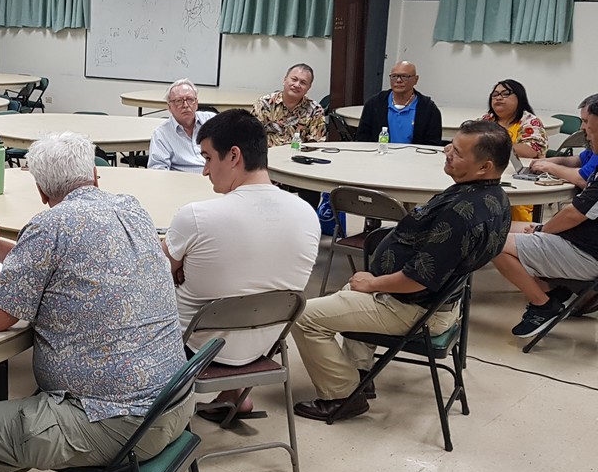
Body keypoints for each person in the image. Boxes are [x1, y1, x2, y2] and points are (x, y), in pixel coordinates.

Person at [0, 132, 189, 472]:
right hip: (174, 400)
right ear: (96, 176)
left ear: (40, 190)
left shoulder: (50, 225)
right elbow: (54, 264)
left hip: (123, 421)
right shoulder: (131, 208)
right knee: (13, 413)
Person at [289, 120, 512, 420]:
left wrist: (375, 284)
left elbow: (417, 280)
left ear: (485, 167)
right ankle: (359, 374)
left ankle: (342, 395)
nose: (447, 152)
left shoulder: (461, 214)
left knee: (302, 317)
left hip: (411, 307)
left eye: (457, 152)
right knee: (351, 289)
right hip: (433, 303)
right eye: (451, 145)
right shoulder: (494, 198)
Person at [163, 110, 320, 419]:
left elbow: (155, 276)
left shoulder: (197, 216)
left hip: (194, 349)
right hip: (264, 347)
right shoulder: (308, 216)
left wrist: (180, 266)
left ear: (233, 155)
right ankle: (235, 394)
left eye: (208, 158)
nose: (205, 171)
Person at [493, 98, 598, 338]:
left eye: (587, 123)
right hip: (579, 239)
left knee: (492, 242)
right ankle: (554, 288)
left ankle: (543, 304)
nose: (583, 130)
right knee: (501, 225)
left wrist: (543, 231)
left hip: (587, 252)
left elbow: (574, 215)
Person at [479, 79, 547, 222]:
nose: (498, 98)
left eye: (505, 94)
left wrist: (493, 142)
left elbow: (530, 150)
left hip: (519, 181)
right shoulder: (486, 119)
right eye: (495, 94)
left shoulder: (529, 121)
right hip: (485, 174)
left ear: (519, 98)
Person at [354, 61, 444, 146]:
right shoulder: (374, 104)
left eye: (404, 76)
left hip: (415, 159)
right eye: (394, 76)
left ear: (416, 79)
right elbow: (362, 139)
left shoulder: (428, 109)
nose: (398, 80)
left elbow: (432, 145)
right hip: (380, 158)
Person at [147, 78, 218, 173]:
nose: (185, 105)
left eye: (190, 100)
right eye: (178, 101)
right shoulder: (162, 134)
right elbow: (157, 170)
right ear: (169, 107)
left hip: (218, 180)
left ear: (196, 103)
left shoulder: (212, 121)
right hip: (185, 183)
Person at [528, 94, 598, 189]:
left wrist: (549, 167)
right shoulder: (594, 147)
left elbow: (583, 179)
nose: (582, 127)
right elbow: (580, 160)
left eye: (586, 121)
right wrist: (548, 161)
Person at [252, 63, 327, 148]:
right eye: (294, 79)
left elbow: (317, 143)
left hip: (300, 156)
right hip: (268, 156)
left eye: (303, 83)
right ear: (284, 80)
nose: (297, 85)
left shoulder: (315, 110)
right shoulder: (264, 104)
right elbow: (251, 137)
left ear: (308, 87)